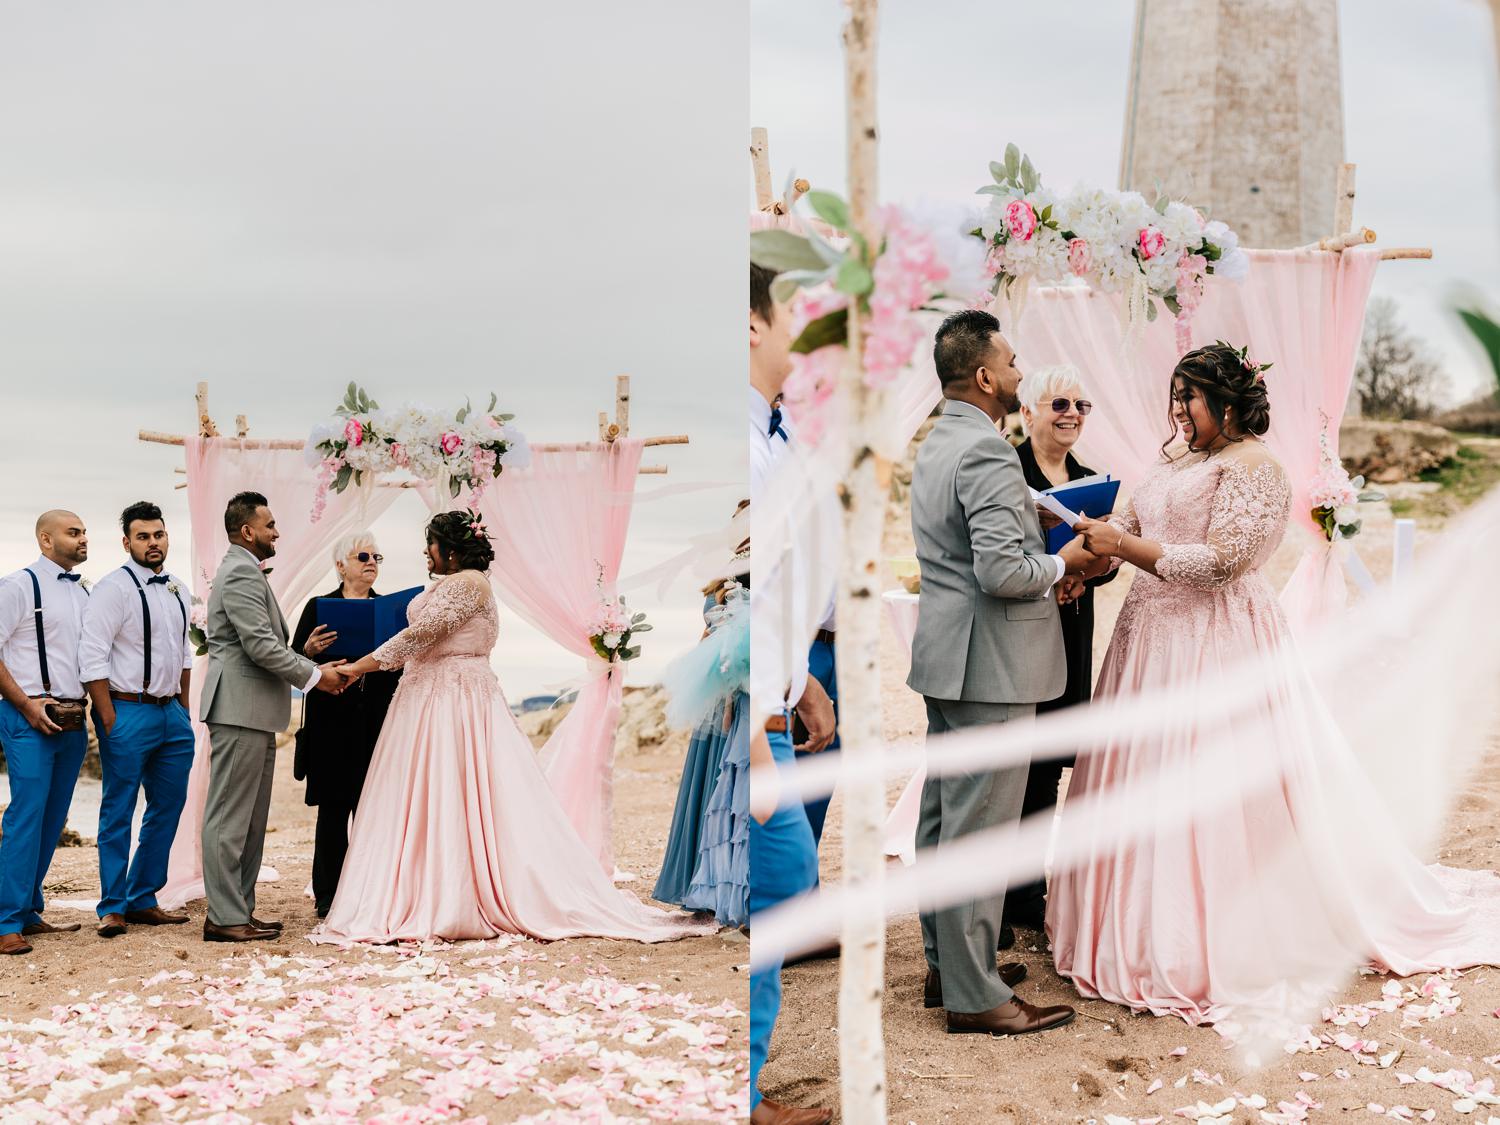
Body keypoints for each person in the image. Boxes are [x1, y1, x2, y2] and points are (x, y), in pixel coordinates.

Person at [1052, 342, 1500, 1022]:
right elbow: (1132, 525)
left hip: (1217, 643)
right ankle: (1132, 927)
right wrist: (1088, 559)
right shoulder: (1174, 459)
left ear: (1228, 401)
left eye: (1189, 397)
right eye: (1175, 396)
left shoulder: (1258, 467)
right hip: (1148, 640)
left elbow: (1223, 563)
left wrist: (1122, 547)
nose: (1177, 410)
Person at [314, 511, 712, 945]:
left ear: (449, 548)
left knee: (458, 791)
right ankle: (420, 883)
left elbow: (418, 637)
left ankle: (457, 893)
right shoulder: (451, 584)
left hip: (456, 701)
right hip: (425, 697)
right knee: (426, 794)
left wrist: (355, 667)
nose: (424, 554)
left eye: (429, 545)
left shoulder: (470, 583)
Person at [906, 309, 1095, 1036]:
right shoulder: (986, 451)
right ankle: (976, 993)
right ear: (985, 375)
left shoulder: (938, 441)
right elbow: (999, 569)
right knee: (980, 831)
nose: (1020, 374)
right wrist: (1062, 563)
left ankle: (946, 963)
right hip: (994, 666)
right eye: (1013, 363)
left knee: (945, 819)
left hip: (952, 660)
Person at [747, 261, 832, 1125]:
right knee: (780, 878)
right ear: (750, 328)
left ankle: (749, 1083)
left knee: (784, 881)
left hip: (777, 694)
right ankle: (740, 1090)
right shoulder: (747, 443)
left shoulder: (776, 433)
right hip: (751, 721)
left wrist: (800, 679)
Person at [199, 491, 349, 943]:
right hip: (238, 709)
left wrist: (302, 653)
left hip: (255, 710)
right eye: (270, 525)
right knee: (229, 818)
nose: (277, 532)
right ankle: (224, 917)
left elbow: (263, 643)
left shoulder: (247, 571)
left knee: (248, 819)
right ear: (248, 531)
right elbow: (258, 647)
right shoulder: (241, 573)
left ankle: (237, 910)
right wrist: (313, 675)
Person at [1006, 366, 1116, 932]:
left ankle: (1027, 894)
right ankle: (995, 896)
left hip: (1069, 628)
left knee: (1046, 762)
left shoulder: (1092, 479)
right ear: (1028, 412)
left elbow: (1101, 562)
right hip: (1016, 631)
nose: (1072, 412)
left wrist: (1095, 566)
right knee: (1010, 760)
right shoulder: (1006, 471)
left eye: (1082, 404)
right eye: (1059, 403)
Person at [79, 501, 195, 938]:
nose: (153, 542)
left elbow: (184, 652)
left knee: (167, 808)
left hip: (171, 716)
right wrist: (108, 718)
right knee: (117, 810)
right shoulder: (112, 589)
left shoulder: (179, 588)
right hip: (126, 711)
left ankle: (143, 897)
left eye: (159, 534)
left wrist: (183, 708)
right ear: (127, 542)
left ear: (167, 537)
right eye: (143, 536)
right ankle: (112, 906)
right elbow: (91, 656)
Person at [290, 533, 402, 918]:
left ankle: (372, 891)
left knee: (373, 811)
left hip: (376, 722)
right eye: (364, 556)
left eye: (377, 556)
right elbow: (290, 662)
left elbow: (404, 661)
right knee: (333, 812)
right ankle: (328, 896)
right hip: (330, 724)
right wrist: (309, 652)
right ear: (341, 565)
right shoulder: (318, 607)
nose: (372, 562)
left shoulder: (391, 611)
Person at [0, 510, 91, 955]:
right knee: (26, 815)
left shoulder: (83, 592)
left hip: (73, 717)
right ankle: (5, 922)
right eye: (73, 533)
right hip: (28, 715)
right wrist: (25, 704)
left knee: (53, 818)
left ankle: (28, 909)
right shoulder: (18, 586)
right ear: (45, 539)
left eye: (84, 532)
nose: (83, 539)